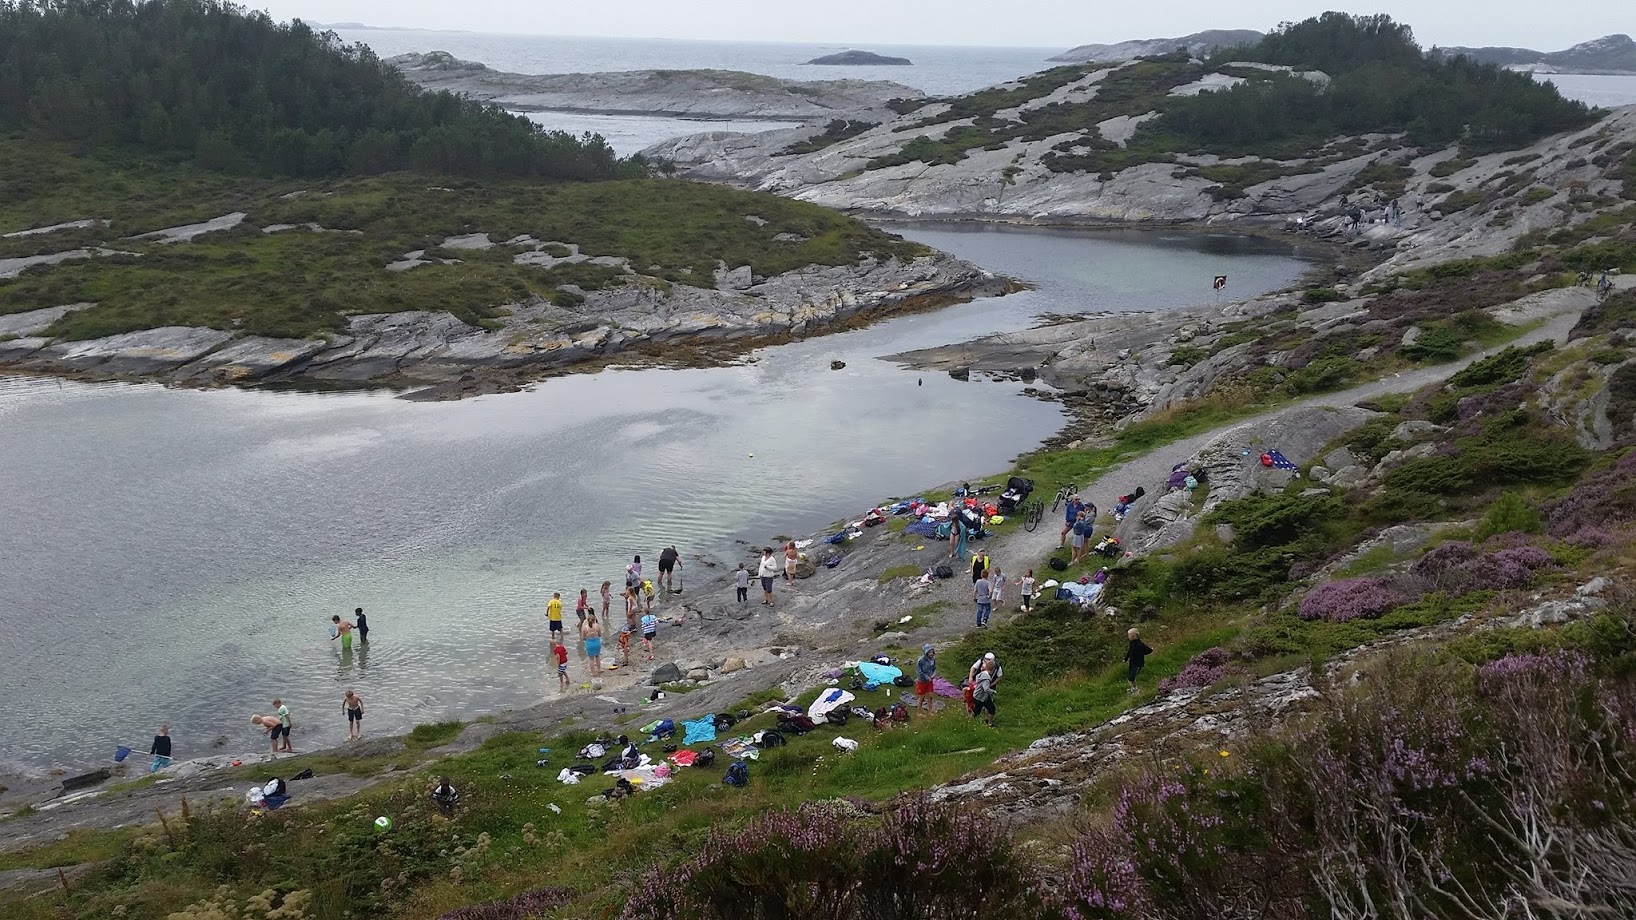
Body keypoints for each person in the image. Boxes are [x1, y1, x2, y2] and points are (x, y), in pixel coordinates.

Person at [1124, 628, 1154, 694]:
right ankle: (1134, 688)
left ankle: (1136, 689)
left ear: (1134, 636)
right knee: (1130, 676)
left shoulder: (1139, 644)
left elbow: (1148, 650)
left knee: (1131, 677)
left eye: (1129, 635)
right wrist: (1125, 659)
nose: (1128, 637)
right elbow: (1129, 652)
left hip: (1138, 663)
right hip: (1132, 663)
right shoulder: (1131, 643)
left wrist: (1143, 653)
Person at [972, 659, 997, 726]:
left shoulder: (982, 674)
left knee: (987, 709)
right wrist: (993, 691)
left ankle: (972, 721)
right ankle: (989, 723)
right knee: (990, 710)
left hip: (978, 696)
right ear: (993, 669)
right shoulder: (986, 678)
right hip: (981, 697)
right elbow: (986, 689)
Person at [914, 645, 937, 714]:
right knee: (921, 697)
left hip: (930, 681)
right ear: (926, 652)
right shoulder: (921, 660)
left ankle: (930, 710)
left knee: (930, 696)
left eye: (932, 652)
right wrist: (927, 677)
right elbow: (919, 671)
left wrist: (933, 675)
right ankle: (919, 712)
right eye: (930, 652)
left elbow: (934, 668)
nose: (931, 654)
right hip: (922, 681)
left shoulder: (933, 659)